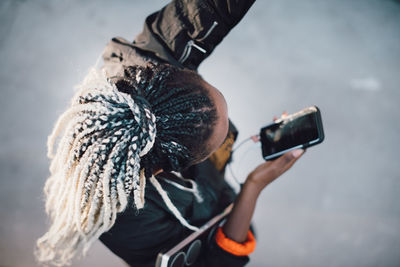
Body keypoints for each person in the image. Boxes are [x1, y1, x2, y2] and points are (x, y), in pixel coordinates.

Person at [35, 1, 305, 266]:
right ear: (175, 166)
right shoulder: (126, 216)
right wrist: (253, 187)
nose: (227, 140)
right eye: (217, 144)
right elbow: (209, 262)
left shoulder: (147, 69)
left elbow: (202, 10)